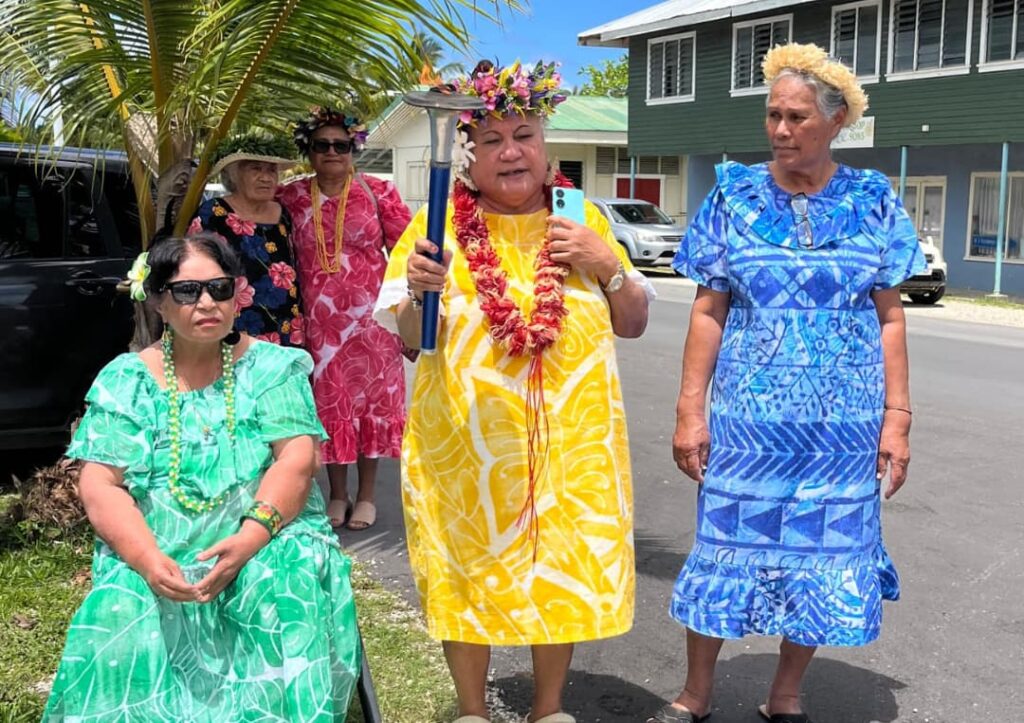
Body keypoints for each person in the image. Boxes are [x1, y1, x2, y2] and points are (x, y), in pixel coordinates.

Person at [648, 44, 925, 723]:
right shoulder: (733, 196)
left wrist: (897, 418)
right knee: (724, 547)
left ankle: (787, 694)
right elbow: (708, 310)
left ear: (836, 121)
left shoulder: (873, 201)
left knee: (822, 553)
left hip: (841, 431)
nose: (779, 129)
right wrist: (690, 410)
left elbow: (891, 316)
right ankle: (695, 694)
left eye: (797, 117)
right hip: (748, 426)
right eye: (773, 115)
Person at [372, 60, 653, 723]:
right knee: (465, 565)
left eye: (523, 135)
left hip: (571, 442)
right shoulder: (436, 222)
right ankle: (472, 709)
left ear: (545, 145)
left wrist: (607, 265)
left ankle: (547, 708)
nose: (510, 151)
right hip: (464, 446)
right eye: (492, 139)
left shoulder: (581, 217)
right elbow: (410, 338)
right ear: (469, 154)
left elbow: (634, 321)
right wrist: (418, 292)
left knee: (561, 565)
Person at [44, 235, 361, 720]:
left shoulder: (273, 368)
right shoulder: (127, 380)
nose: (208, 302)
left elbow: (296, 460)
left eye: (219, 288)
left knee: (280, 583)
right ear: (158, 301)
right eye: (188, 291)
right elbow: (100, 484)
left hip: (265, 537)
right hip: (156, 549)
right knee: (120, 607)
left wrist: (250, 538)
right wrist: (148, 560)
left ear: (237, 294)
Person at [278, 108, 412, 531]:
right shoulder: (291, 197)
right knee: (331, 408)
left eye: (341, 145)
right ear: (309, 151)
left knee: (371, 409)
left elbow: (406, 254)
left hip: (374, 325)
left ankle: (367, 495)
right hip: (320, 328)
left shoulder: (378, 192)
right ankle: (338, 494)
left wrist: (412, 316)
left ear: (354, 148)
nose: (332, 152)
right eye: (322, 145)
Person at [189, 134, 305, 346]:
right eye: (256, 169)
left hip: (287, 324)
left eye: (271, 171)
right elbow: (194, 268)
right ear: (234, 175)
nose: (266, 178)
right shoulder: (215, 213)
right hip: (235, 324)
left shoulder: (283, 214)